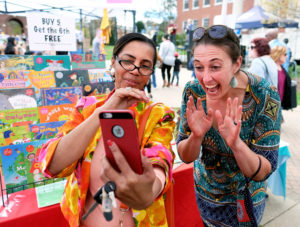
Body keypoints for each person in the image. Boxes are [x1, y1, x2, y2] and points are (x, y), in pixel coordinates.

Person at [39, 33, 176, 227]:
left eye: (144, 65)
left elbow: (160, 161)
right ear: (113, 62)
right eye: (128, 61)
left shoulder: (159, 115)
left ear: (150, 72)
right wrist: (102, 112)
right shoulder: (86, 107)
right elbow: (52, 165)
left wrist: (148, 191)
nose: (135, 70)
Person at [177, 25, 281, 226]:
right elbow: (185, 155)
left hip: (244, 202)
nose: (206, 79)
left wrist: (236, 144)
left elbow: (265, 169)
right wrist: (196, 137)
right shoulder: (193, 91)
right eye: (199, 67)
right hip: (205, 195)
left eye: (215, 67)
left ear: (236, 64)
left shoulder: (263, 94)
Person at [270, 46, 293, 110]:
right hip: (272, 104)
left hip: (280, 104)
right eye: (285, 54)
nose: (287, 56)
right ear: (278, 55)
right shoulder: (271, 68)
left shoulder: (282, 68)